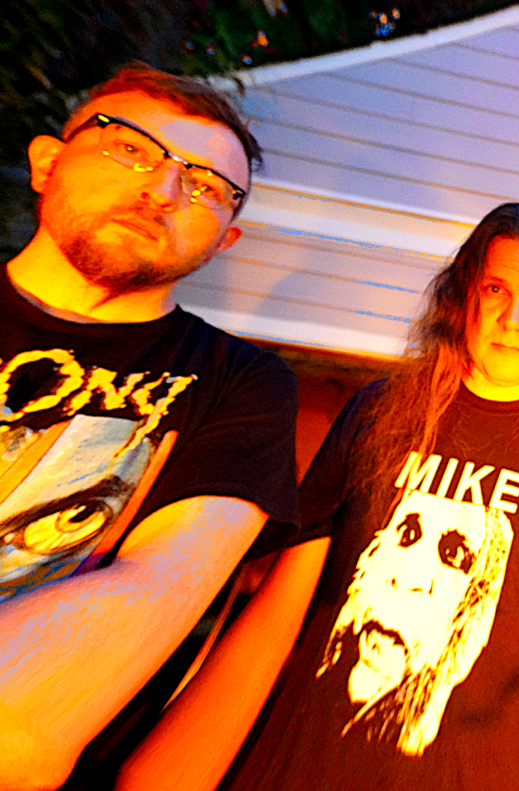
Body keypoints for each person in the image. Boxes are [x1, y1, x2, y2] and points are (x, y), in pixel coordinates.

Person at [118, 203, 519, 791]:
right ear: (465, 295)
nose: (513, 316)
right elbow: (280, 613)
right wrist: (167, 768)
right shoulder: (381, 412)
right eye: (496, 289)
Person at [0, 63, 299, 789]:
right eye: (132, 148)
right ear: (47, 161)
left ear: (227, 236)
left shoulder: (238, 384)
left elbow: (150, 589)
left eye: (203, 184)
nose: (162, 190)